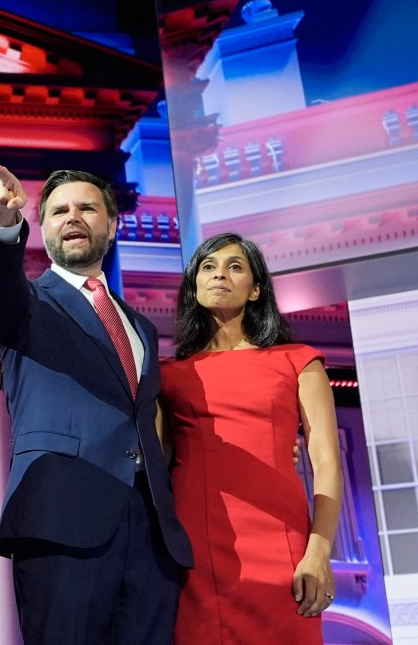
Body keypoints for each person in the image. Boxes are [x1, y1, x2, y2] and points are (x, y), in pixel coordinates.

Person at [0, 164, 192, 644]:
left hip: (150, 532)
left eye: (87, 208)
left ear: (112, 224)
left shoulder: (142, 328)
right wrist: (3, 226)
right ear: (44, 227)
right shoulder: (28, 305)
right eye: (58, 211)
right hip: (61, 521)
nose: (73, 217)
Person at [159, 232, 343, 644]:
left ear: (256, 289)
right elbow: (158, 459)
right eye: (208, 267)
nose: (219, 274)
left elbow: (327, 462)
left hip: (283, 547)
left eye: (235, 266)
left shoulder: (298, 361)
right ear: (194, 285)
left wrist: (319, 550)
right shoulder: (168, 374)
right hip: (196, 550)